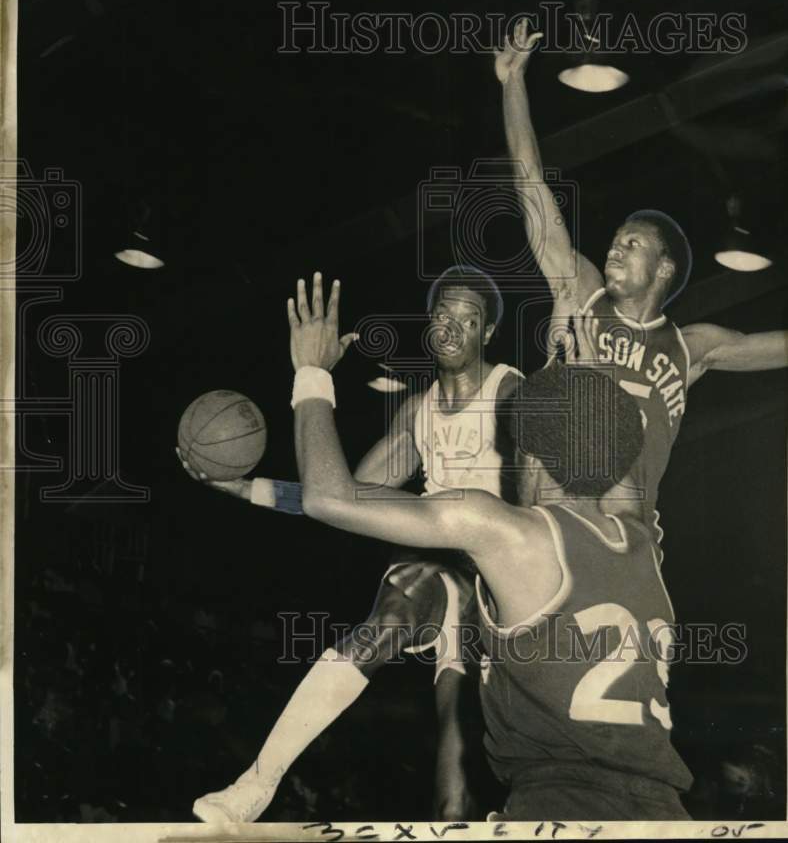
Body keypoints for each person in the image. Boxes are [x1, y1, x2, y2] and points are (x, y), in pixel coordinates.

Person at [278, 272, 693, 820]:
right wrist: (590, 378)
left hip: (561, 807)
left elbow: (328, 497)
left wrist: (311, 372)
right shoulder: (642, 544)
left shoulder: (509, 533)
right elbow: (614, 453)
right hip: (666, 815)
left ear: (535, 461)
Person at [184, 266, 526, 823]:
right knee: (395, 609)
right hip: (435, 559)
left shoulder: (511, 390)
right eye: (442, 315)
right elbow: (340, 496)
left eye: (468, 319)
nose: (452, 328)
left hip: (500, 575)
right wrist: (244, 487)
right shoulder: (418, 411)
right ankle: (255, 785)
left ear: (487, 333)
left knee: (456, 790)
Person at [495, 17, 788, 536]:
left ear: (664, 268)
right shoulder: (580, 292)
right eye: (615, 239)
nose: (614, 247)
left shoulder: (692, 347)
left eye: (632, 244)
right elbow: (529, 182)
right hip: (551, 516)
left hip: (627, 534)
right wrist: (512, 83)